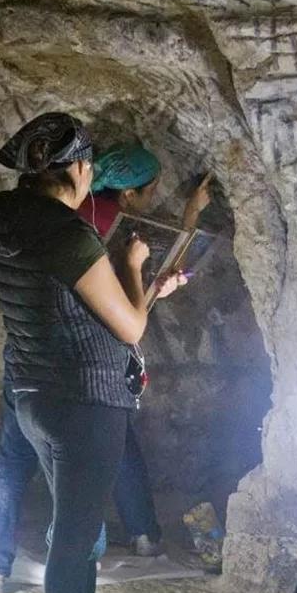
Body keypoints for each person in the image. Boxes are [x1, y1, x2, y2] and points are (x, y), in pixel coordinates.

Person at [0, 113, 149, 593]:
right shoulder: (70, 234)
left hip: (34, 394)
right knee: (73, 540)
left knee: (70, 526)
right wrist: (134, 271)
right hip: (85, 398)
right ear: (77, 169)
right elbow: (128, 324)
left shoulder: (1, 217)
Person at [79, 144, 212, 555]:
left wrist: (156, 283)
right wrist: (147, 276)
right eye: (151, 190)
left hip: (85, 341)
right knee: (106, 442)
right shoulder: (101, 219)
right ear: (129, 194)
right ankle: (111, 540)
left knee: (99, 440)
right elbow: (123, 294)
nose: (154, 197)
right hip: (98, 344)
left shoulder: (92, 214)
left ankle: (132, 534)